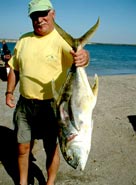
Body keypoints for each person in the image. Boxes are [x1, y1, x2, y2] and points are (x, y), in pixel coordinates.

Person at [5, 0, 90, 184]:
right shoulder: (23, 40)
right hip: (25, 104)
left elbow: (79, 57)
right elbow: (14, 68)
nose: (39, 19)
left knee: (51, 148)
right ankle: (22, 182)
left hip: (53, 106)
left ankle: (49, 183)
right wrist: (9, 92)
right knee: (22, 147)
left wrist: (84, 56)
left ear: (53, 14)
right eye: (35, 16)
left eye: (43, 14)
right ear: (30, 18)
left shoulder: (60, 40)